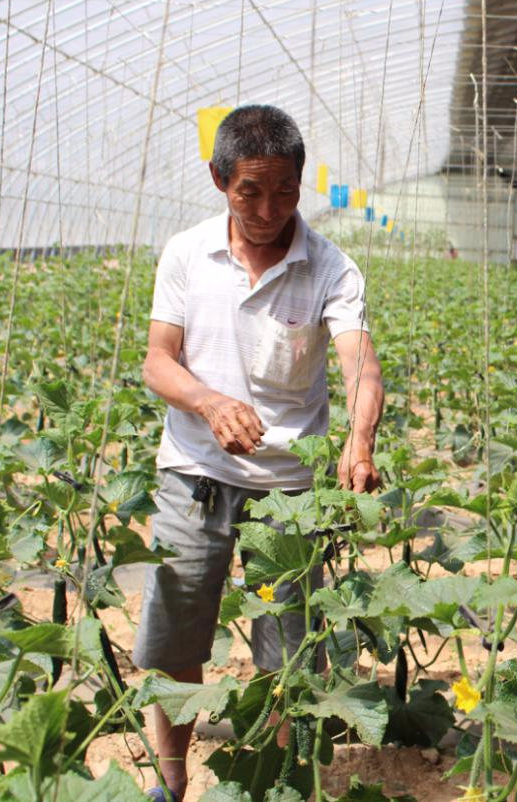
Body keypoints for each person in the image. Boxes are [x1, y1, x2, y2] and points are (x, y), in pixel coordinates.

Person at [133, 104, 384, 801]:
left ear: (301, 185)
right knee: (178, 635)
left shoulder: (330, 266)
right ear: (219, 180)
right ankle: (172, 779)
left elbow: (362, 365)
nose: (269, 207)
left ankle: (270, 783)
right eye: (251, 189)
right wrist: (210, 403)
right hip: (195, 472)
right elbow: (159, 362)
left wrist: (360, 440)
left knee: (286, 648)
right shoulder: (187, 252)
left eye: (284, 190)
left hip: (289, 490)